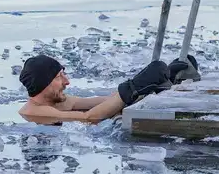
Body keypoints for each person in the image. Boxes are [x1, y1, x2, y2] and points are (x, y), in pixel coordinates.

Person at [18, 53, 198, 125]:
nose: (67, 82)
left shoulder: (62, 100)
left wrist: (152, 87)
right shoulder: (37, 112)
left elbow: (106, 102)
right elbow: (89, 117)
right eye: (59, 77)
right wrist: (132, 88)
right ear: (44, 83)